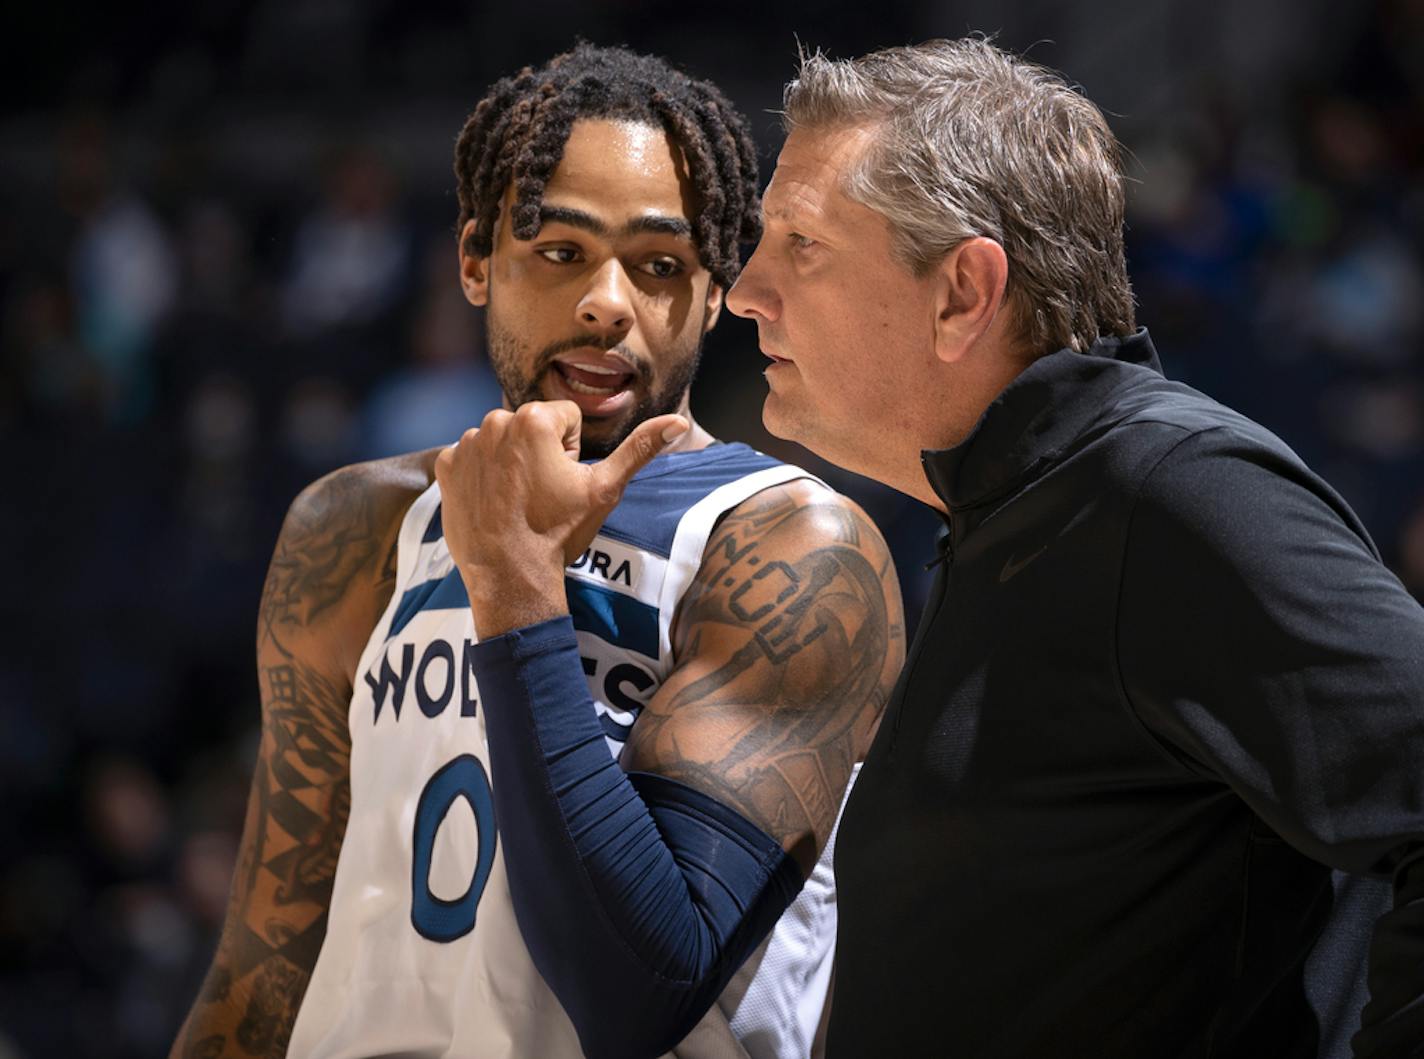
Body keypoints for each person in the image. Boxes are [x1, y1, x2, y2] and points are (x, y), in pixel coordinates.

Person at [170, 44, 904, 1059]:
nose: (606, 302)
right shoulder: (353, 529)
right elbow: (262, 966)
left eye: (656, 265)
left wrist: (515, 586)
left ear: (712, 284)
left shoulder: (789, 546)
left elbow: (637, 991)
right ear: (475, 261)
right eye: (559, 252)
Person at [724, 37, 1424, 1059]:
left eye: (801, 245)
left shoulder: (1173, 489)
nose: (745, 292)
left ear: (963, 291)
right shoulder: (1009, 515)